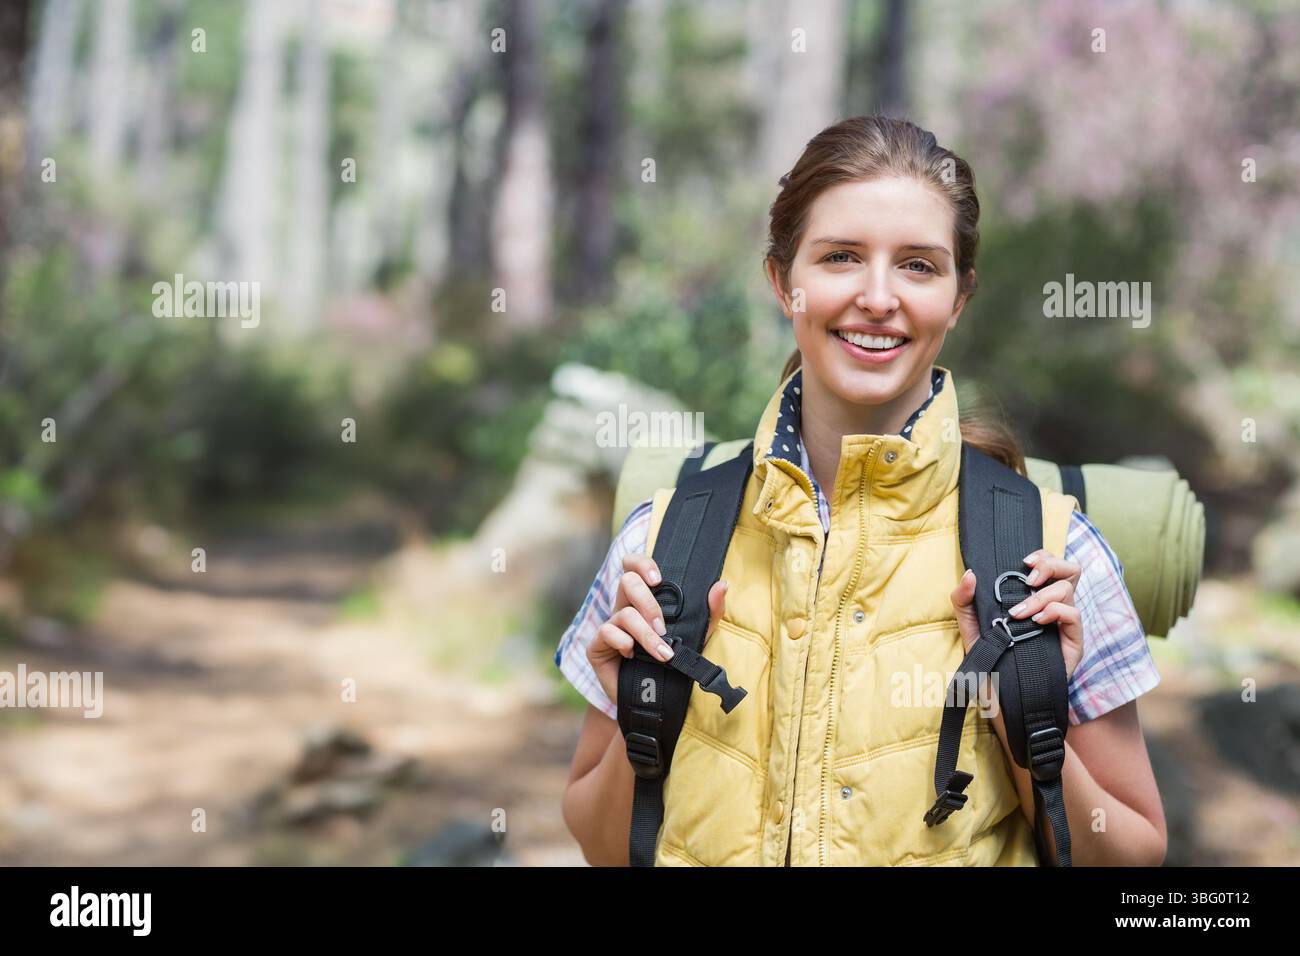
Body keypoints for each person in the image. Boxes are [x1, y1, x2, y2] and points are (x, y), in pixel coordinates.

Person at [557, 115, 1166, 867]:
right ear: (785, 282)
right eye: (841, 257)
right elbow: (600, 846)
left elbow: (1134, 858)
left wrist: (1024, 722)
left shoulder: (1049, 553)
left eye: (918, 265)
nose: (878, 297)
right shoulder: (662, 540)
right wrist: (642, 715)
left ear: (959, 297)